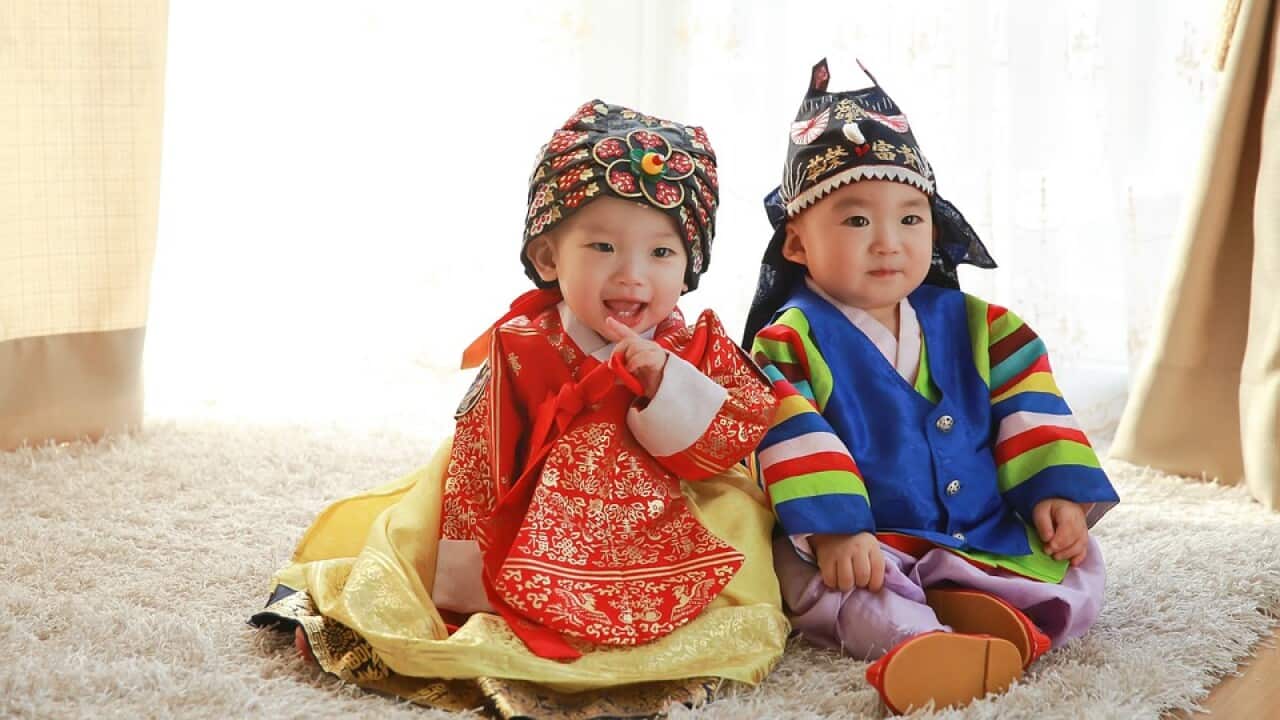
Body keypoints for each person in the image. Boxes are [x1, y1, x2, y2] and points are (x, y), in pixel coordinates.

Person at [250, 100, 787, 718]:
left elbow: (729, 437)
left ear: (690, 265)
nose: (633, 276)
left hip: (661, 504)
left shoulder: (689, 345)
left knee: (740, 524)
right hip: (520, 501)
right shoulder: (524, 345)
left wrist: (665, 382)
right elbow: (482, 455)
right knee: (413, 546)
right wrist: (463, 594)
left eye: (662, 254)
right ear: (548, 257)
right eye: (604, 246)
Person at [743, 59, 1121, 715]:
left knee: (1081, 570)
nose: (888, 243)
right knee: (822, 586)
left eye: (911, 220)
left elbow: (1029, 406)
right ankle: (921, 641)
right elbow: (790, 433)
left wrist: (1053, 492)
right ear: (797, 245)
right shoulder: (791, 341)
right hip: (871, 544)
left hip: (979, 528)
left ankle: (998, 618)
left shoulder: (983, 326)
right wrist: (836, 531)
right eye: (856, 222)